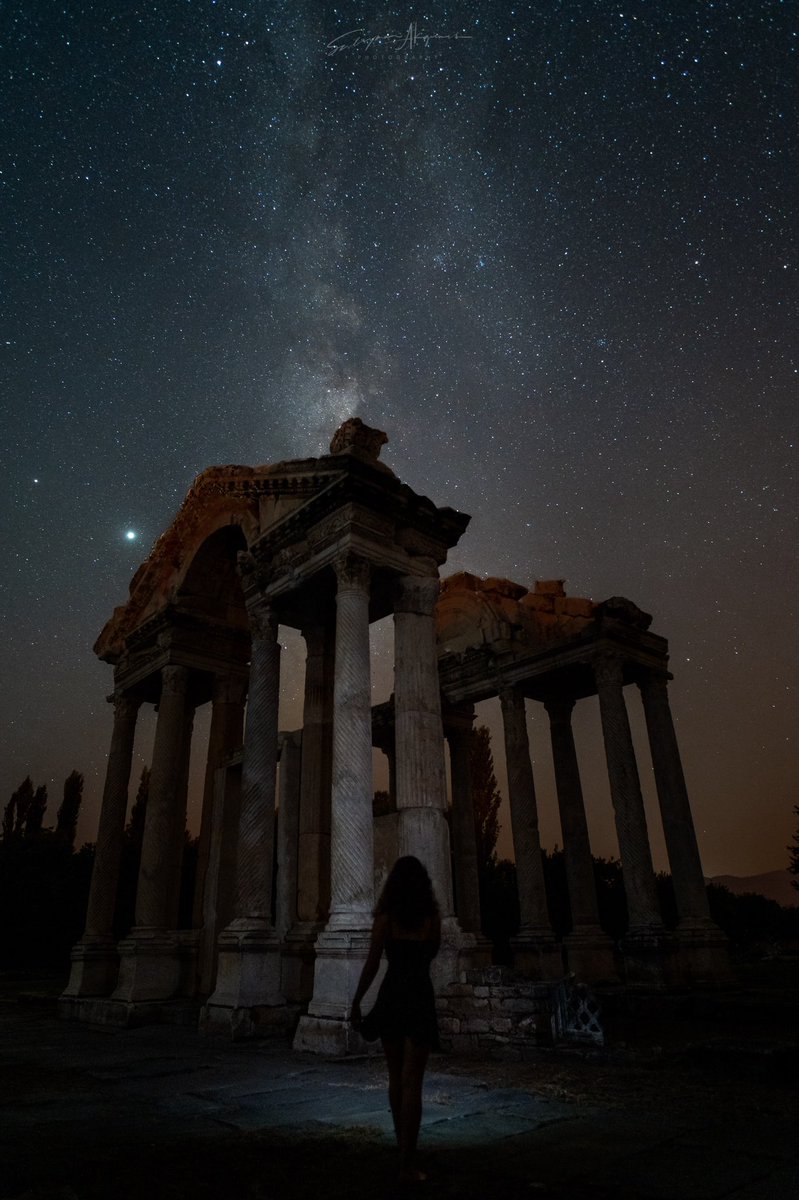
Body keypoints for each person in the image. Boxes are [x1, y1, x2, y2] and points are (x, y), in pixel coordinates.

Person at [350, 855, 441, 1183]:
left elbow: (373, 963)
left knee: (394, 1076)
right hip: (419, 995)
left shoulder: (386, 918)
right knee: (412, 1081)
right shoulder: (432, 918)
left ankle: (402, 1148)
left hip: (392, 995)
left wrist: (357, 1001)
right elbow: (432, 953)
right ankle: (408, 1161)